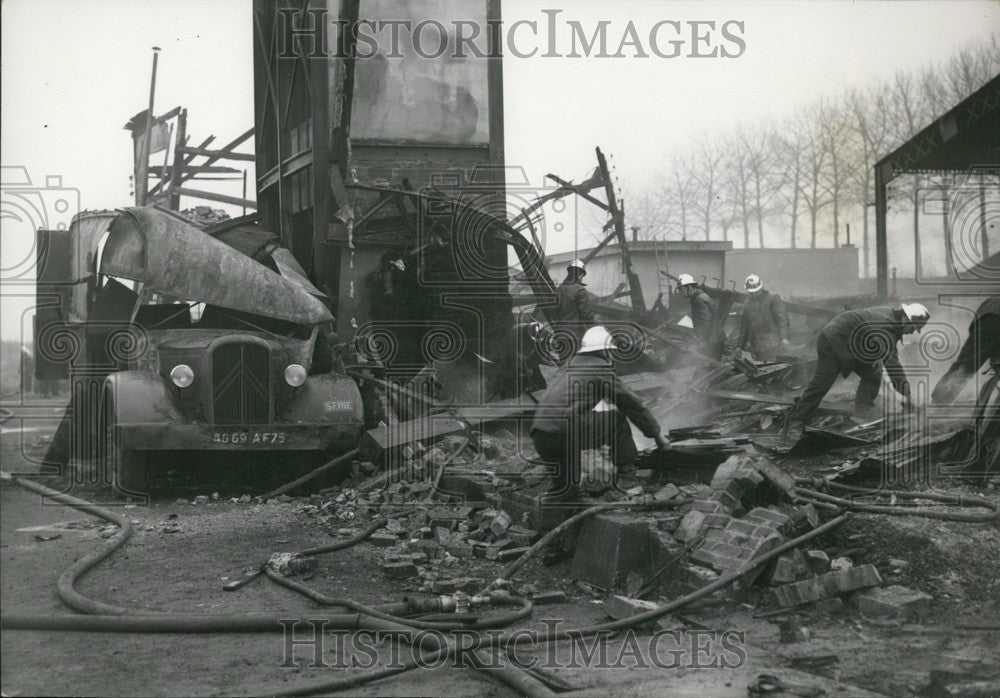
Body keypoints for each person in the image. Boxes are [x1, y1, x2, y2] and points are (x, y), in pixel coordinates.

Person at [530, 326, 669, 507]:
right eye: (610, 352)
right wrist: (657, 435)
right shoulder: (600, 367)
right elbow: (630, 403)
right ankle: (627, 478)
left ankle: (546, 525)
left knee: (566, 494)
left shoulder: (569, 365)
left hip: (542, 436)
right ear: (604, 351)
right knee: (616, 419)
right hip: (565, 434)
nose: (611, 357)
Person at [784, 303, 931, 434]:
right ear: (906, 320)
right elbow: (893, 366)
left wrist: (873, 356)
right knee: (821, 384)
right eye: (913, 328)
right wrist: (908, 396)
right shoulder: (887, 327)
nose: (912, 332)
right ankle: (795, 421)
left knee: (873, 373)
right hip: (833, 340)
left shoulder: (890, 315)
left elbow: (868, 333)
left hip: (852, 343)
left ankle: (860, 415)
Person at [931, 296, 1000, 405]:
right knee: (970, 365)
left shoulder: (992, 301)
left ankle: (938, 401)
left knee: (966, 364)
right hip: (991, 318)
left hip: (984, 316)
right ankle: (939, 402)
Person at [737, 274, 790, 362]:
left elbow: (782, 319)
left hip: (772, 343)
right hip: (756, 344)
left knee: (770, 367)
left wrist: (784, 338)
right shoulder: (748, 302)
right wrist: (739, 346)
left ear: (760, 287)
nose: (753, 294)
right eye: (751, 292)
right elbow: (744, 326)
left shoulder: (773, 298)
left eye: (755, 291)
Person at [676, 273, 725, 360]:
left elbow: (705, 321)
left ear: (689, 287)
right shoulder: (700, 297)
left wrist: (702, 340)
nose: (680, 292)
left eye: (681, 289)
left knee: (709, 368)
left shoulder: (699, 300)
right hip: (714, 340)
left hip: (711, 342)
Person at [554, 259, 595, 346]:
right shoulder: (580, 290)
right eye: (582, 276)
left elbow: (553, 313)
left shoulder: (557, 290)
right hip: (575, 337)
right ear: (579, 274)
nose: (581, 278)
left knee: (564, 359)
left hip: (560, 336)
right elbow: (587, 316)